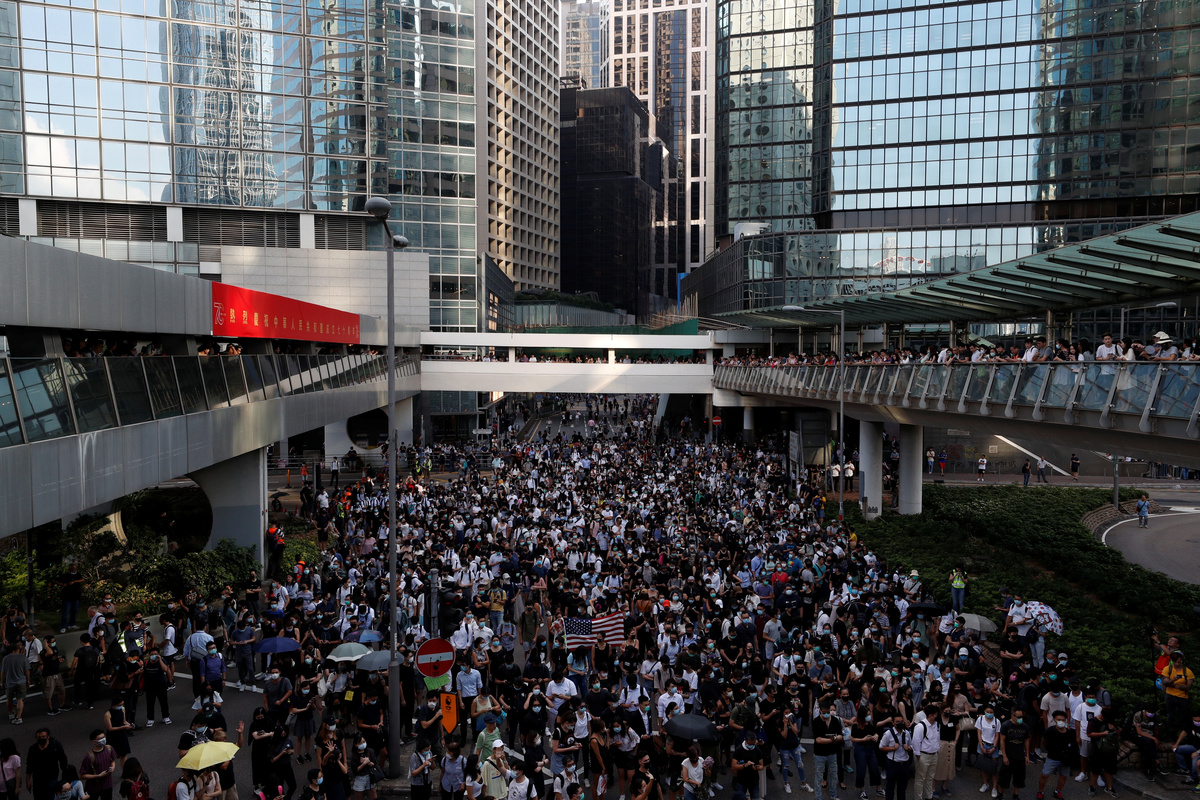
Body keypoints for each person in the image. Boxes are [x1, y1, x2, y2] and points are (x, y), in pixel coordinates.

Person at [1037, 710, 1072, 800]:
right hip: (1052, 757)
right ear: (1055, 720)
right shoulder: (1050, 731)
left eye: (1063, 720)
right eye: (1059, 719)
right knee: (1045, 775)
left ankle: (1058, 791)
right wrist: (1050, 751)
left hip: (1065, 758)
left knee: (1063, 776)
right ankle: (1041, 791)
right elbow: (1044, 742)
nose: (1061, 721)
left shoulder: (1068, 733)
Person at [1086, 709, 1120, 798]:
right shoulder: (1093, 721)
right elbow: (1089, 734)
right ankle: (1092, 787)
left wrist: (1114, 728)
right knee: (1095, 769)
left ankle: (1109, 787)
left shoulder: (1111, 721)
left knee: (1110, 769)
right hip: (1097, 749)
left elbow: (1118, 734)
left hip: (1110, 750)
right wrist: (1103, 734)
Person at [26, 730, 69, 800]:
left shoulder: (55, 746)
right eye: (39, 737)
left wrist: (65, 778)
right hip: (38, 780)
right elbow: (29, 765)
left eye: (43, 737)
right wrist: (28, 780)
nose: (41, 739)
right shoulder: (33, 749)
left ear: (48, 737)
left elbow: (63, 761)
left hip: (51, 779)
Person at [814, 703, 844, 800]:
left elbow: (840, 736)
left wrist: (834, 738)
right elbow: (818, 740)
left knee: (834, 775)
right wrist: (832, 740)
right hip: (820, 754)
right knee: (819, 776)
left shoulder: (835, 720)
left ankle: (833, 795)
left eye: (828, 712)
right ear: (820, 711)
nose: (826, 714)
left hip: (832, 753)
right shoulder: (816, 721)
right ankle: (818, 797)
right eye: (824, 712)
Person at [998, 709, 1031, 800]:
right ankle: (1000, 794)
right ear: (1012, 716)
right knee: (1004, 777)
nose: (1020, 719)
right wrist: (1004, 756)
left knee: (1019, 778)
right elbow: (1002, 741)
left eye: (1022, 717)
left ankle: (1015, 796)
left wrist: (1027, 756)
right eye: (1018, 717)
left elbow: (1027, 741)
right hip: (1009, 756)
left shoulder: (1025, 726)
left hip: (1020, 756)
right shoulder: (1006, 725)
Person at [880, 711, 912, 800]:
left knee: (902, 789)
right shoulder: (888, 734)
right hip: (892, 764)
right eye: (897, 722)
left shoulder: (906, 733)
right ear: (893, 723)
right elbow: (881, 747)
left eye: (901, 722)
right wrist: (892, 748)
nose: (900, 724)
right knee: (890, 788)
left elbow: (911, 745)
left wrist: (908, 748)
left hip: (904, 764)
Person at [80, 729, 119, 800]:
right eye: (100, 738)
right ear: (93, 741)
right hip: (93, 787)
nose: (103, 740)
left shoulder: (109, 749)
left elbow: (112, 760)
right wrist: (98, 776)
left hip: (107, 785)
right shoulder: (89, 757)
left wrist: (112, 767)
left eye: (103, 737)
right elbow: (82, 775)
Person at [732, 730, 765, 800]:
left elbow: (762, 765)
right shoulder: (739, 750)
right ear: (745, 740)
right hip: (741, 781)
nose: (752, 746)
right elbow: (733, 766)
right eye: (750, 744)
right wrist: (745, 765)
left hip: (754, 780)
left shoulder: (757, 750)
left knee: (755, 797)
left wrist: (758, 767)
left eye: (753, 744)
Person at [2, 644, 28, 725]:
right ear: (19, 647)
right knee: (19, 699)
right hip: (21, 681)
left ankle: (10, 714)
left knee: (9, 699)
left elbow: (3, 672)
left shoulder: (6, 658)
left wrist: (2, 682)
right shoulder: (23, 658)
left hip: (9, 682)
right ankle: (18, 717)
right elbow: (27, 670)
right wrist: (28, 680)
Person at [57, 565, 85, 634]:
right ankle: (63, 626)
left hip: (75, 596)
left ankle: (72, 624)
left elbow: (82, 579)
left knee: (74, 611)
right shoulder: (65, 575)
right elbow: (56, 580)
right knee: (66, 612)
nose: (75, 570)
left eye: (75, 568)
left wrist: (74, 581)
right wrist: (62, 584)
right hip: (67, 597)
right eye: (73, 568)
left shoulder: (77, 574)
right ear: (70, 569)